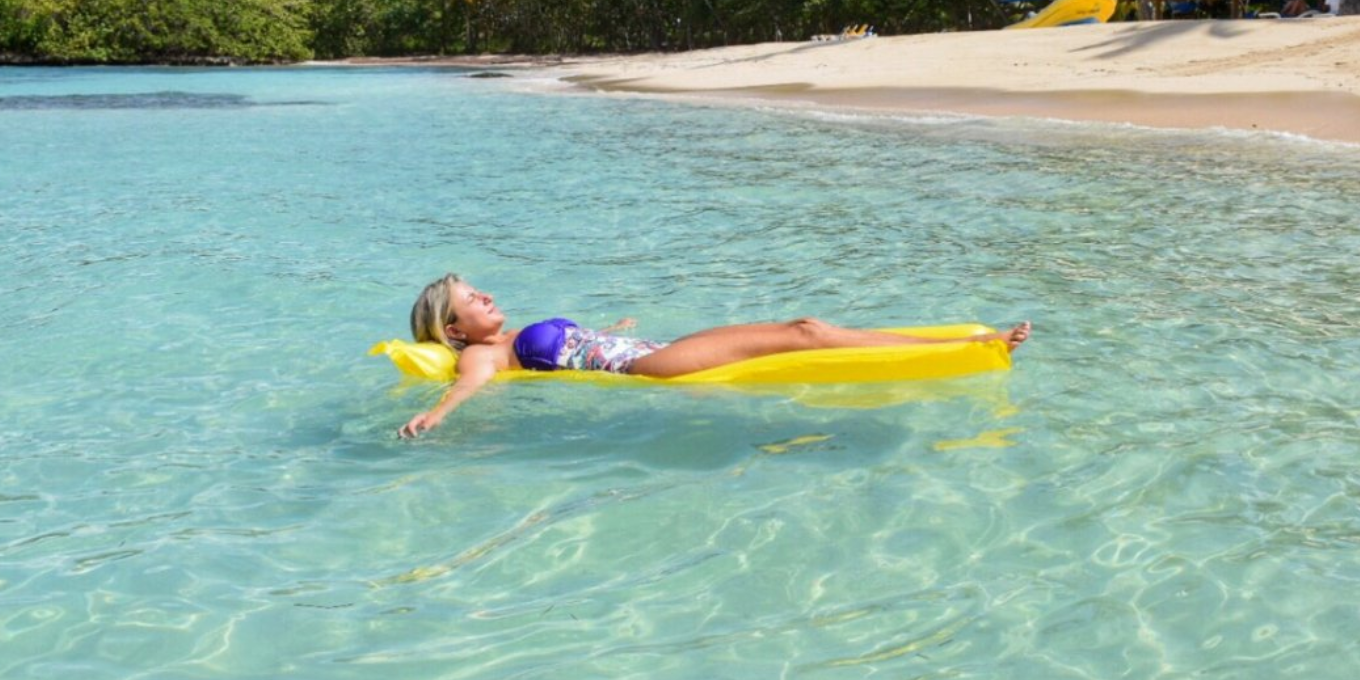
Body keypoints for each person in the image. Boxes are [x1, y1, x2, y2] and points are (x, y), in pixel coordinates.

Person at [398, 274, 1034, 438]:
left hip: (647, 350)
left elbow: (574, 346)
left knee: (804, 332)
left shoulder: (508, 340)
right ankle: (968, 347)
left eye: (476, 288)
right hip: (649, 368)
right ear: (453, 331)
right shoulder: (477, 359)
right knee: (805, 330)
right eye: (469, 299)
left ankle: (956, 345)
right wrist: (437, 417)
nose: (484, 295)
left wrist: (610, 326)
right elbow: (466, 389)